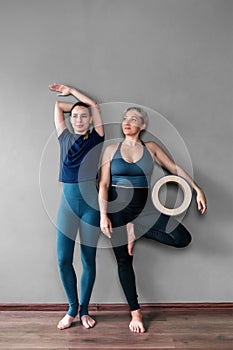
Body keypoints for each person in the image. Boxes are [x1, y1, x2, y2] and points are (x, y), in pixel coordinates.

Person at [98, 106, 207, 333]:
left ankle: (135, 230)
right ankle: (135, 313)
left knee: (181, 237)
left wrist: (196, 189)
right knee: (124, 262)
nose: (127, 122)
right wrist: (103, 215)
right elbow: (104, 185)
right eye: (125, 118)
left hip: (144, 211)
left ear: (143, 125)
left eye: (134, 119)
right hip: (117, 213)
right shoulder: (111, 149)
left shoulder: (151, 148)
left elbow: (174, 169)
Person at [49, 83, 104, 330]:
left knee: (88, 259)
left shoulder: (97, 138)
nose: (79, 120)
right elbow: (58, 106)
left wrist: (72, 91)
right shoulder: (64, 136)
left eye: (84, 117)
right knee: (63, 259)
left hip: (90, 206)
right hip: (68, 206)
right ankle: (72, 308)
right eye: (75, 117)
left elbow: (94, 105)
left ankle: (84, 311)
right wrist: (75, 107)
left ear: (91, 120)